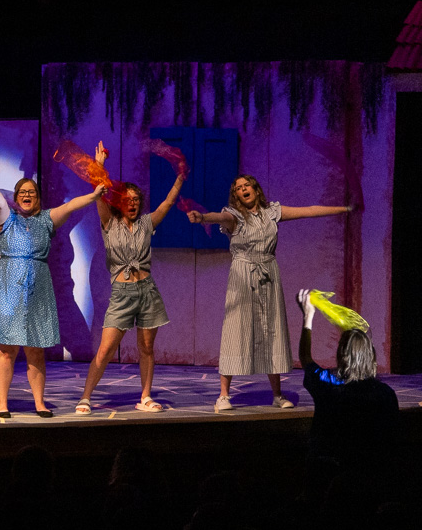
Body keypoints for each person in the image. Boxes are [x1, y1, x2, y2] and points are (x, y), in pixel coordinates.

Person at [187, 175, 352, 412]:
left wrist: (343, 209)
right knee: (235, 329)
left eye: (247, 185)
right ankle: (223, 396)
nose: (243, 189)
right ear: (236, 195)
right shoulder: (234, 215)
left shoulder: (271, 212)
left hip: (269, 275)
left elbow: (308, 211)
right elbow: (220, 217)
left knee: (271, 330)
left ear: (256, 189)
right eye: (238, 188)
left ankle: (277, 394)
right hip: (243, 275)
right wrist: (203, 217)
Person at [0, 171, 106, 417]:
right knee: (7, 349)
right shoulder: (7, 217)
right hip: (9, 288)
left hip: (38, 289)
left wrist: (94, 195)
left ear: (37, 198)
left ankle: (39, 403)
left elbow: (70, 206)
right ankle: (2, 403)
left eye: (31, 193)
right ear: (16, 198)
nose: (27, 196)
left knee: (35, 349)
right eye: (22, 192)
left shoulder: (46, 219)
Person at [74, 142, 186, 415]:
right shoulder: (109, 223)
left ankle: (145, 397)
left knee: (146, 347)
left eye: (136, 199)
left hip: (147, 292)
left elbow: (168, 203)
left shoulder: (147, 223)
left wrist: (180, 178)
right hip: (122, 294)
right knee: (105, 349)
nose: (132, 203)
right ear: (119, 202)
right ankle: (86, 397)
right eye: (127, 199)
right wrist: (99, 167)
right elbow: (99, 194)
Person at [293, 288, 399, 473]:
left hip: (328, 469)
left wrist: (307, 317)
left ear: (341, 355)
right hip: (370, 473)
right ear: (371, 356)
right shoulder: (385, 394)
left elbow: (305, 358)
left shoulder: (326, 383)